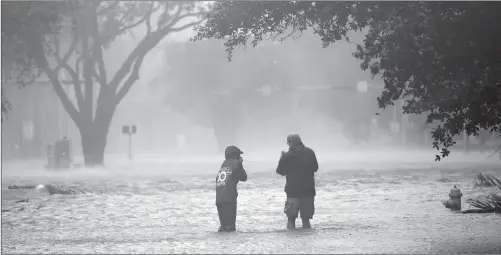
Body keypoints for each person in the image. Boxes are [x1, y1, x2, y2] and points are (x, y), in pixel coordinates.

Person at [276, 134, 319, 230]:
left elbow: (280, 172)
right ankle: (306, 242)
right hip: (308, 191)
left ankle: (293, 242)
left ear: (290, 143)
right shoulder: (310, 152)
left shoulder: (287, 156)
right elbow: (315, 168)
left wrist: (282, 159)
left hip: (293, 191)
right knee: (306, 219)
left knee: (291, 219)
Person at [216, 145, 248, 232]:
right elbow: (244, 177)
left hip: (219, 200)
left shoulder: (224, 164)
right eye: (239, 155)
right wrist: (240, 163)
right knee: (230, 228)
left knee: (223, 227)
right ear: (235, 155)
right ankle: (230, 245)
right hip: (229, 200)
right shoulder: (236, 163)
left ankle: (222, 244)